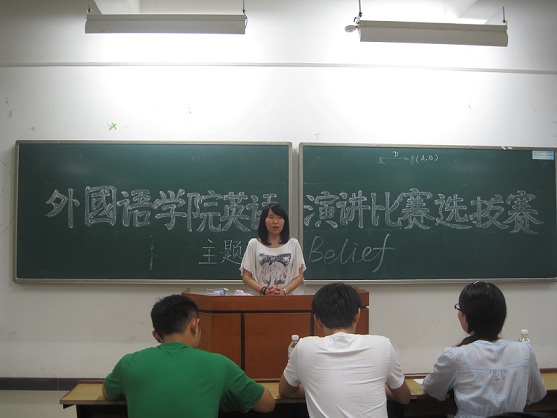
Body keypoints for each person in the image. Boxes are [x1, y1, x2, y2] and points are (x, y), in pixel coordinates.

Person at [102, 294, 275, 418]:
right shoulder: (218, 364)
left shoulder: (129, 363)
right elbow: (267, 404)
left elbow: (108, 393)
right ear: (195, 325)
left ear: (156, 335)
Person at [279, 282, 411, 417]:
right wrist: (381, 387)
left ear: (317, 320)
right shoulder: (382, 345)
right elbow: (405, 397)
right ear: (357, 315)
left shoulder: (304, 347)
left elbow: (284, 391)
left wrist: (314, 388)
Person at [422, 281, 546, 418]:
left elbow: (432, 389)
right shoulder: (524, 352)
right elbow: (537, 394)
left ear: (467, 316)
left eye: (460, 309)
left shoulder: (456, 355)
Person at [240, 203, 306, 296]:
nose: (275, 221)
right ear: (264, 220)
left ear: (284, 221)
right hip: (260, 299)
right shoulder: (254, 244)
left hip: (286, 299)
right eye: (271, 217)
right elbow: (246, 276)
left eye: (280, 217)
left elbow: (299, 276)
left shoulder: (293, 244)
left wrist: (284, 291)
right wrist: (265, 291)